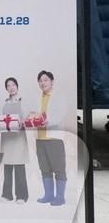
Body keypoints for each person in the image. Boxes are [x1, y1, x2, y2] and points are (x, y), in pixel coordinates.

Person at [28, 69, 69, 206]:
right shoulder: (38, 98)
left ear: (52, 81)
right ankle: (49, 195)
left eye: (45, 80)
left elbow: (60, 114)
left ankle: (60, 197)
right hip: (40, 138)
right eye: (40, 80)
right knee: (44, 168)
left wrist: (48, 121)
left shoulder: (59, 97)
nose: (42, 83)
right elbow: (33, 114)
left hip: (54, 138)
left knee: (58, 168)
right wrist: (31, 118)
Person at [0, 77, 29, 203]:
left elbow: (27, 118)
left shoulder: (23, 102)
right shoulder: (4, 103)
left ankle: (22, 195)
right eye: (8, 86)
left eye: (13, 85)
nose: (11, 88)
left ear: (17, 86)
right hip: (7, 138)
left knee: (19, 165)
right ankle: (7, 194)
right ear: (6, 89)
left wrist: (23, 122)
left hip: (19, 137)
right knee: (7, 166)